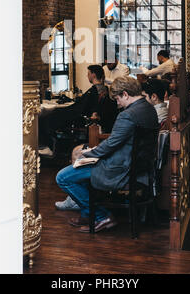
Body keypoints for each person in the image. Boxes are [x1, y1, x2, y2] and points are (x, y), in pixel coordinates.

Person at [55, 77, 159, 233]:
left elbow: (111, 144)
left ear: (125, 94)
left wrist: (90, 152)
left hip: (119, 169)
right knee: (78, 172)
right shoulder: (149, 109)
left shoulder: (127, 114)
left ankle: (101, 216)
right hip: (138, 167)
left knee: (63, 177)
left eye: (117, 98)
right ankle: (87, 213)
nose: (117, 103)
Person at [39, 65, 116, 156]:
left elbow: (80, 108)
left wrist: (61, 109)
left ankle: (49, 147)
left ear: (93, 75)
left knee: (45, 119)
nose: (87, 76)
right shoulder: (103, 89)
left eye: (88, 74)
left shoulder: (94, 91)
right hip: (78, 114)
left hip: (78, 117)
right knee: (53, 114)